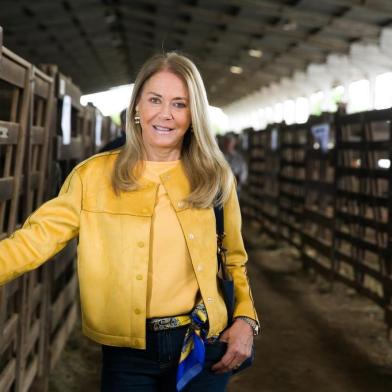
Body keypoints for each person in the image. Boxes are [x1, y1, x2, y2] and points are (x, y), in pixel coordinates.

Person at [0, 52, 259, 391]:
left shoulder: (215, 178)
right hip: (127, 353)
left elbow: (234, 259)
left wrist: (245, 319)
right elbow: (34, 240)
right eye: (155, 100)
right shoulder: (92, 177)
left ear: (193, 115)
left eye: (180, 104)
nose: (165, 114)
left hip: (200, 341)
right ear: (137, 106)